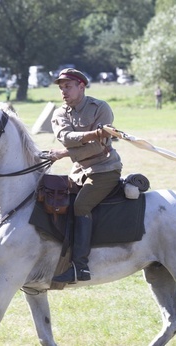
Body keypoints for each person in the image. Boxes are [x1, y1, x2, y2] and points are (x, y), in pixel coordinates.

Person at [49, 68, 122, 283]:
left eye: (68, 86)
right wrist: (92, 134)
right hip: (78, 171)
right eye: (61, 88)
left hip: (105, 169)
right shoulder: (59, 114)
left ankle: (80, 267)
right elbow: (67, 137)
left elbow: (99, 148)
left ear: (82, 86)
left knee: (81, 206)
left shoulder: (101, 108)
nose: (64, 91)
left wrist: (64, 153)